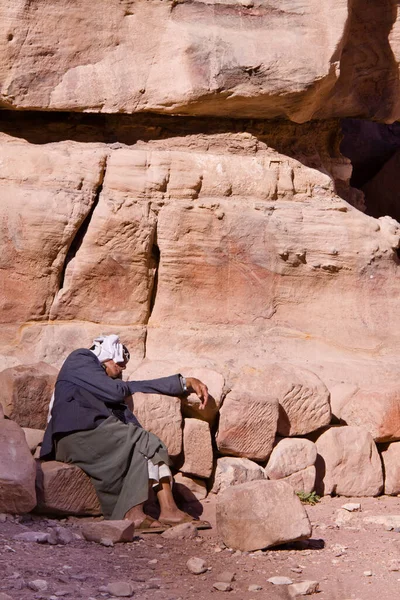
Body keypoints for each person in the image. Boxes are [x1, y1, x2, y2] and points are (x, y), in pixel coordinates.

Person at [40, 334, 210, 532]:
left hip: (94, 436)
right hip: (74, 434)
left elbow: (129, 387)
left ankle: (168, 511)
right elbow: (118, 391)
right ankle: (136, 515)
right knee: (143, 439)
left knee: (145, 446)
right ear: (107, 355)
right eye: (120, 363)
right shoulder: (81, 358)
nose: (123, 368)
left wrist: (181, 383)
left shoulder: (103, 382)